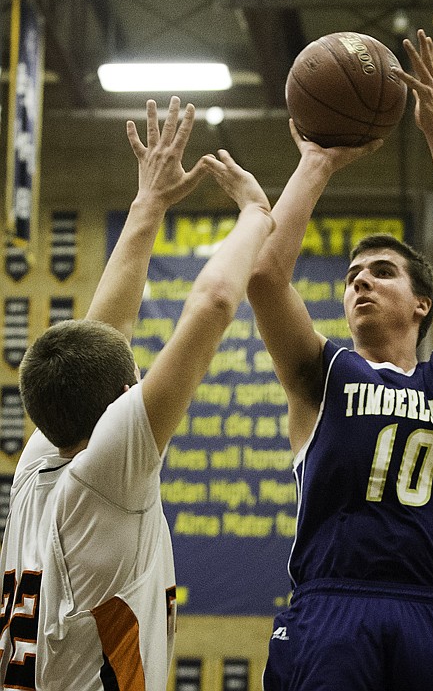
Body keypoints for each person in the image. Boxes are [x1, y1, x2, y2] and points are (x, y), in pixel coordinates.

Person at [207, 29, 433, 690]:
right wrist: (315, 160)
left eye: (381, 272)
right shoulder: (324, 376)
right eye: (351, 277)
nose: (359, 282)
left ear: (424, 303)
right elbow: (263, 277)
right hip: (331, 610)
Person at [0, 96, 275, 690]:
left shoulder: (38, 462)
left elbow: (104, 334)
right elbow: (212, 305)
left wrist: (148, 204)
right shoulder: (104, 480)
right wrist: (256, 214)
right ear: (124, 400)